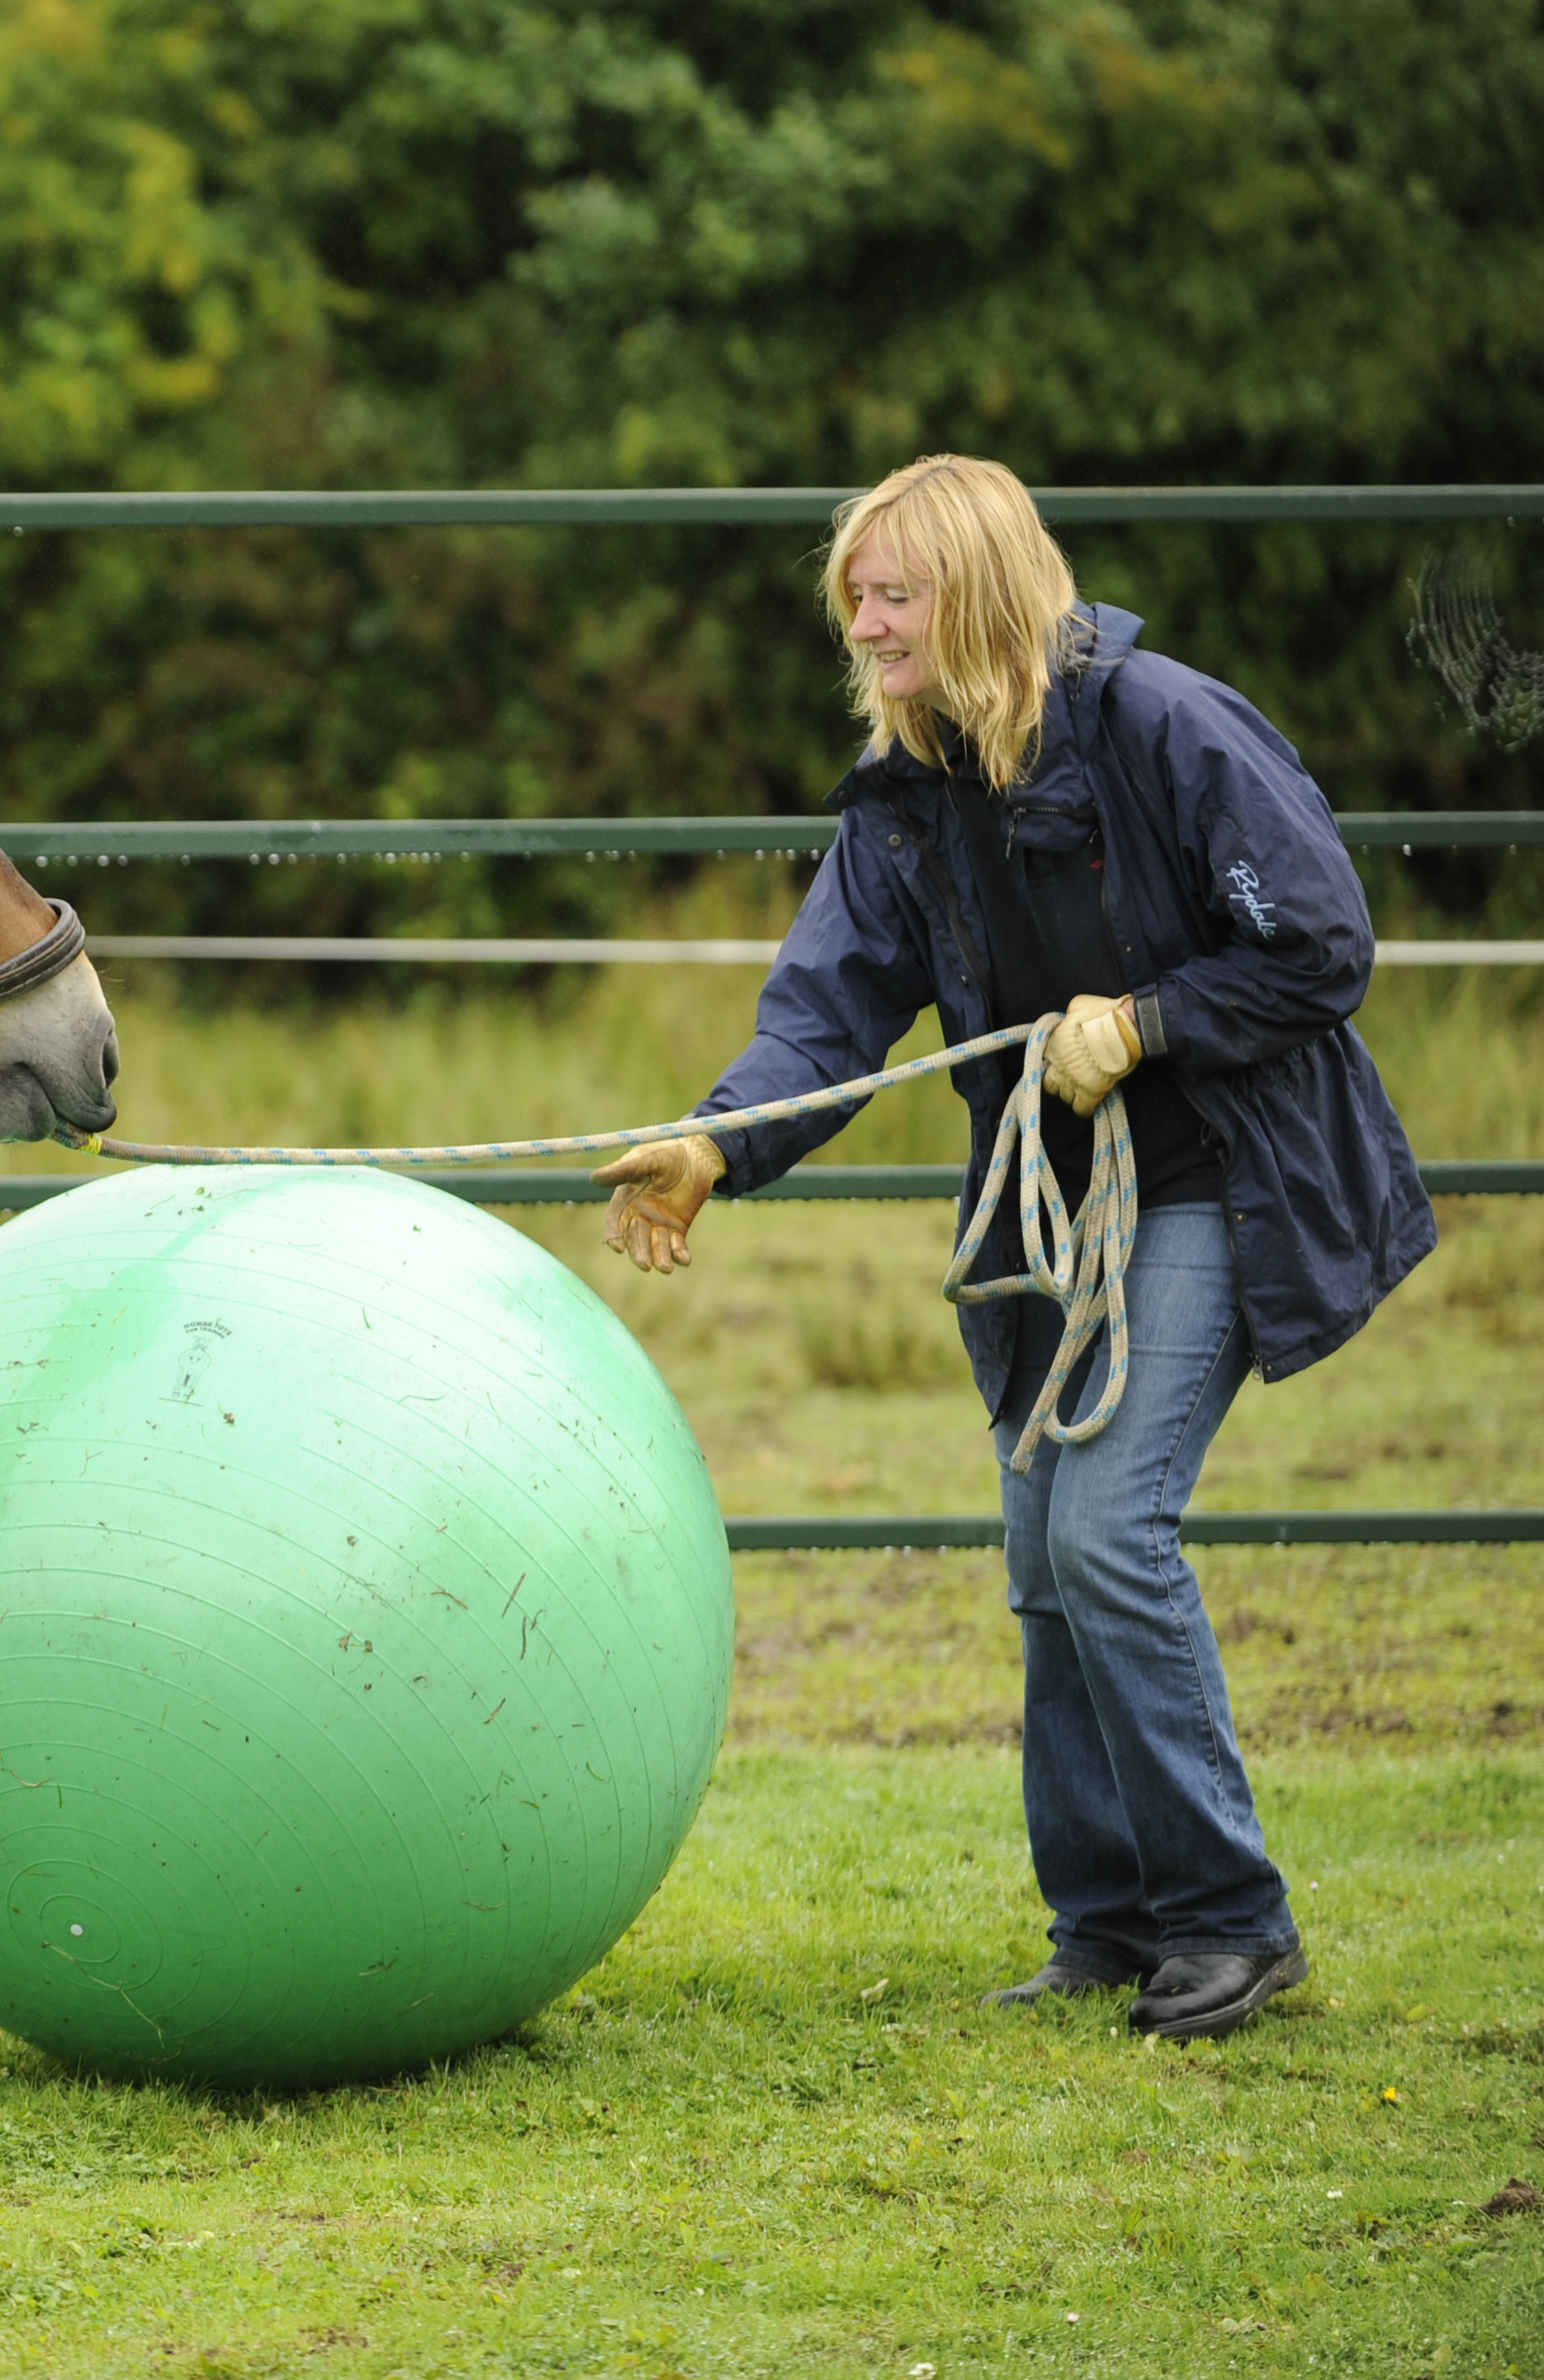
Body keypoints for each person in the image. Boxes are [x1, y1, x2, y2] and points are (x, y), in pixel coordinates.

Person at [592, 454, 1433, 2044]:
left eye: (893, 589)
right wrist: (715, 1143)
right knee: (1049, 1560)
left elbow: (1321, 943)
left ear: (977, 587)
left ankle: (1234, 1926)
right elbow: (826, 1015)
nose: (863, 616)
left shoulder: (1167, 725)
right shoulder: (909, 793)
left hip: (1216, 1180)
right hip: (1052, 1207)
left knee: (1110, 1529)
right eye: (855, 594)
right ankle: (1107, 1925)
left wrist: (1155, 1020)